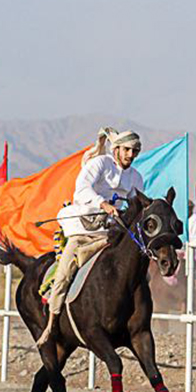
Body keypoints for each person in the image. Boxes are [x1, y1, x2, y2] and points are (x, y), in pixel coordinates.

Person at [38, 127, 144, 346]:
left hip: (110, 232)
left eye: (135, 151)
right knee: (64, 275)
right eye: (127, 150)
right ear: (116, 149)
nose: (130, 155)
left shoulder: (136, 177)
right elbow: (81, 189)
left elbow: (136, 203)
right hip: (83, 228)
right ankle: (52, 325)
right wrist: (102, 204)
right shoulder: (100, 164)